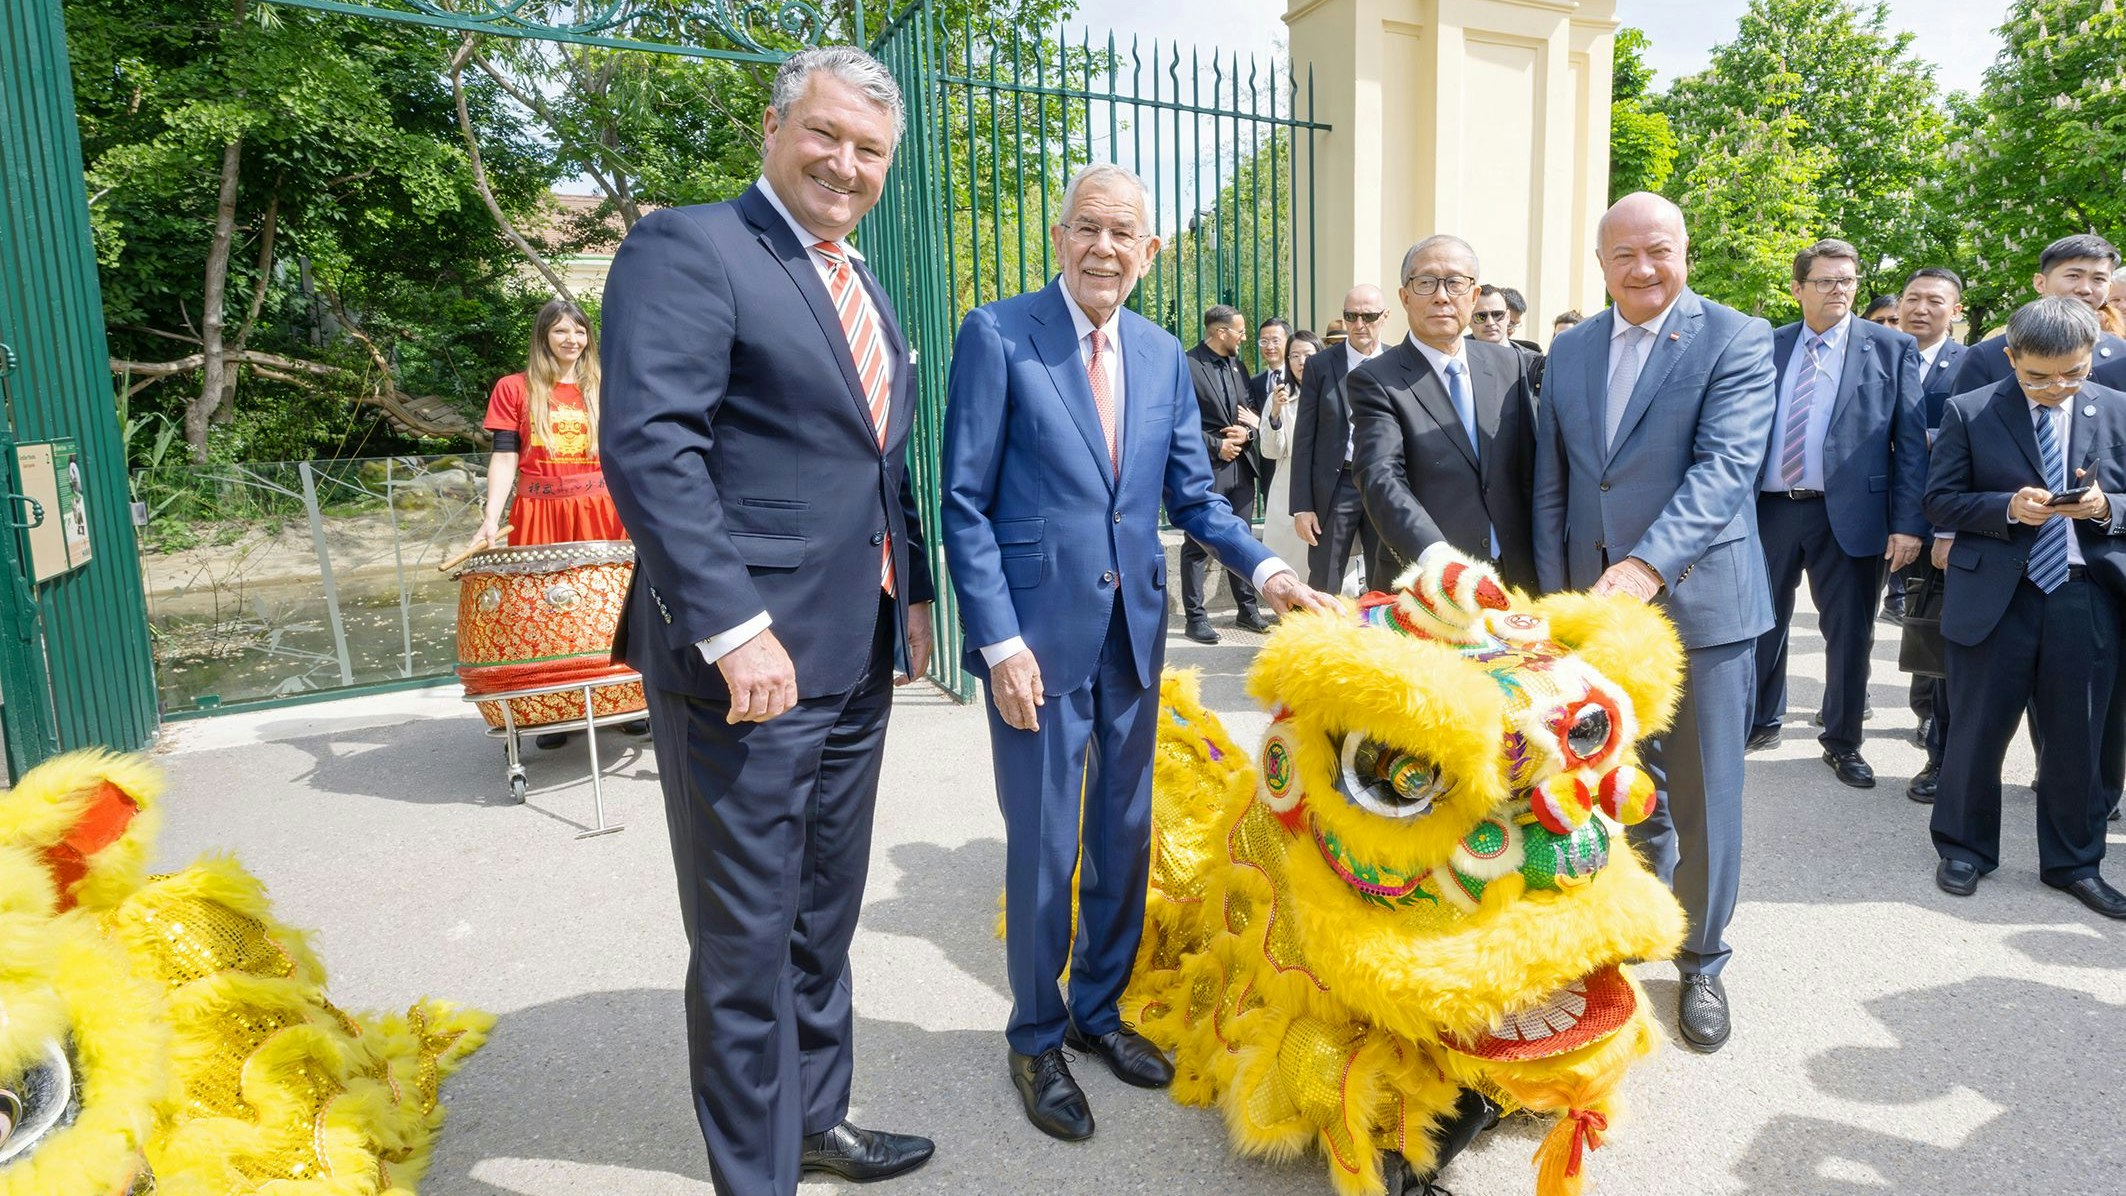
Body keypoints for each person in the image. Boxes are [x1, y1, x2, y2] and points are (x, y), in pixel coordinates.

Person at [596, 48, 937, 1195]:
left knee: (821, 914)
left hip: (854, 649)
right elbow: (652, 444)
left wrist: (913, 591)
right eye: (825, 135)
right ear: (773, 127)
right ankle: (756, 1176)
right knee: (744, 937)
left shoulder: (860, 280)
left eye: (869, 150)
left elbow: (877, 458)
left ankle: (816, 1119)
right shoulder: (689, 248)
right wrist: (732, 625)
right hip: (746, 664)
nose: (845, 163)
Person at [940, 163, 1335, 1143]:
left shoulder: (1159, 355)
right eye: (1088, 227)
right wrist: (997, 640)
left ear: (1149, 252)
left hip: (1132, 631)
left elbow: (1193, 497)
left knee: (1121, 832)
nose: (1104, 248)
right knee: (1044, 845)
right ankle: (1035, 1036)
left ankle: (1097, 1007)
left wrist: (1268, 571)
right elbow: (965, 504)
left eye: (1124, 233)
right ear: (1059, 236)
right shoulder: (998, 335)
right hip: (1034, 642)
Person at [1532, 191, 1776, 1054]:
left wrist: (1644, 567)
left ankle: (1702, 958)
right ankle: (1637, 922)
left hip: (1700, 604)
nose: (1643, 269)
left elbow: (1725, 469)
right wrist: (1558, 604)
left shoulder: (1736, 338)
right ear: (1600, 263)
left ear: (1684, 251)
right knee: (1623, 786)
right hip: (1596, 613)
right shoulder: (1571, 350)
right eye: (1624, 255)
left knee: (1706, 793)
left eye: (1658, 250)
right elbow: (1557, 483)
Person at [1923, 297, 2126, 921]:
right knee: (1978, 727)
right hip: (1996, 594)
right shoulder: (1971, 410)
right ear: (2011, 358)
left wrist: (2105, 507)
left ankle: (2075, 863)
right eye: (2038, 377)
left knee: (2079, 735)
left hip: (2083, 591)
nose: (2056, 388)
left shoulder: (2116, 409)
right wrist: (2006, 508)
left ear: (2092, 357)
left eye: (2073, 373)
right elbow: (1940, 501)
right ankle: (1964, 849)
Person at [1746, 239, 1926, 790]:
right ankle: (1760, 721)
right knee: (1760, 623)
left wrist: (1908, 524)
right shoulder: (1767, 345)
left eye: (1847, 280)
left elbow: (1910, 445)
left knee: (1849, 634)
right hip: (1771, 509)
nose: (1839, 290)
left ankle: (1844, 740)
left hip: (1850, 513)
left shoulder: (1890, 347)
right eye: (1825, 281)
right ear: (1798, 288)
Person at [473, 298, 643, 748]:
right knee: (542, 612)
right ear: (543, 336)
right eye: (561, 331)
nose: (572, 339)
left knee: (609, 606)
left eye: (580, 331)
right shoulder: (514, 388)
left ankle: (621, 698)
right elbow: (505, 456)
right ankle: (554, 709)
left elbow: (631, 450)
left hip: (602, 509)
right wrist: (491, 517)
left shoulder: (607, 386)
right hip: (538, 510)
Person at [1350, 235, 1538, 591]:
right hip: (1426, 582)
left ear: (1473, 294)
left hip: (1515, 578)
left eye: (1455, 282)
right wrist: (1437, 558)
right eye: (1426, 282)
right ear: (1404, 296)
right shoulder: (1375, 379)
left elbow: (1531, 471)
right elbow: (1380, 476)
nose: (1441, 296)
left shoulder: (1509, 364)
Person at [1897, 267, 1970, 803]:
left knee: (1934, 619)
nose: (1921, 308)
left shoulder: (1970, 364)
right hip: (1883, 512)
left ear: (1955, 311)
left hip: (1940, 515)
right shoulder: (1880, 353)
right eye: (1913, 298)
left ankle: (1930, 722)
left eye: (1935, 301)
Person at [1292, 284, 1388, 592]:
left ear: (1384, 316)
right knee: (1325, 577)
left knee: (1387, 577)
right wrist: (1302, 506)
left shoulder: (1399, 362)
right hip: (1337, 484)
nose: (1359, 324)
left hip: (1386, 482)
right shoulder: (1321, 365)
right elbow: (1304, 437)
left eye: (1368, 316)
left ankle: (1377, 624)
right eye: (1351, 316)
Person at [1182, 304, 1267, 641]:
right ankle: (1195, 618)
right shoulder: (1187, 365)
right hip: (1207, 468)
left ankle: (1247, 611)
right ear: (1220, 332)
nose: (1244, 338)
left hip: (1241, 467)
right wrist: (1217, 446)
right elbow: (1179, 421)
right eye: (1240, 332)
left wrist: (1247, 435)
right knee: (1197, 544)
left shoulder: (1238, 366)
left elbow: (1252, 411)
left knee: (1242, 539)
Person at [1950, 234, 2126, 392]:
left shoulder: (2121, 354)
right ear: (2040, 283)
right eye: (2073, 276)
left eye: (2099, 279)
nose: (2085, 289)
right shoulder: (1988, 357)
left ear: (2109, 289)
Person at [1259, 330, 1321, 570]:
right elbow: (1270, 451)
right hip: (1289, 489)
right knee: (1291, 568)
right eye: (1294, 356)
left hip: (1327, 486)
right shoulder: (1280, 397)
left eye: (1308, 355)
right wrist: (1275, 414)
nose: (1301, 362)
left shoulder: (1335, 393)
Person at [1250, 316, 1293, 494]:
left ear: (1288, 342)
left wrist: (1260, 422)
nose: (1269, 347)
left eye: (1275, 340)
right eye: (1264, 341)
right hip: (1268, 467)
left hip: (1295, 464)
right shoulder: (1254, 382)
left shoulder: (1301, 377)